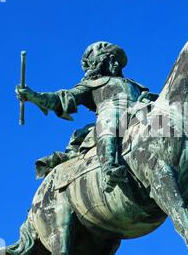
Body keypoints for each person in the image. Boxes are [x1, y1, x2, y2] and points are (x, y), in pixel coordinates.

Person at [16, 41, 149, 192]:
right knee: (110, 116)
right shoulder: (92, 84)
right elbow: (62, 98)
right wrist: (34, 96)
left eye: (116, 59)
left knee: (166, 121)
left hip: (140, 110)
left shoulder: (135, 85)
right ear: (98, 63)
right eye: (110, 59)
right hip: (113, 115)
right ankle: (109, 168)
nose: (115, 63)